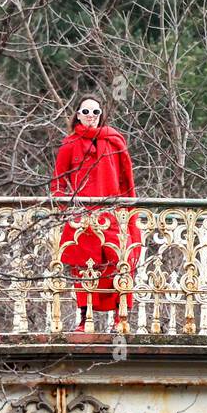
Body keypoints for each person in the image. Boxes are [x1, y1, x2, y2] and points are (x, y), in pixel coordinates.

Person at [50, 95, 142, 333]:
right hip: (82, 218)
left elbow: (126, 181)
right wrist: (68, 210)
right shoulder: (69, 144)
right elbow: (58, 183)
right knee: (83, 267)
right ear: (77, 115)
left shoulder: (114, 142)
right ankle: (84, 320)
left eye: (95, 112)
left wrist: (127, 212)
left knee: (118, 263)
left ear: (101, 116)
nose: (91, 117)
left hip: (112, 215)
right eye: (86, 112)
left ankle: (119, 318)